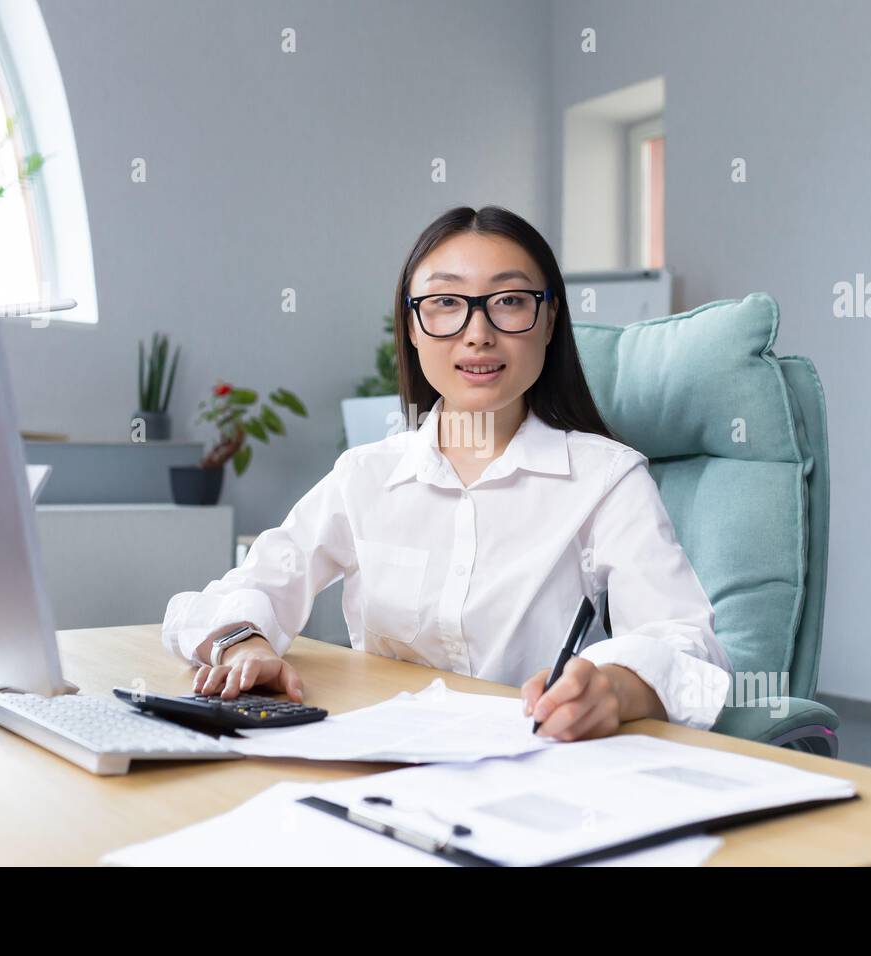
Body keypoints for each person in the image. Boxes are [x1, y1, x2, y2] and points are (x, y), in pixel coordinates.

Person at [162, 205, 732, 739]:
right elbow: (244, 586)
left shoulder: (605, 479)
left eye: (508, 300)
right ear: (410, 328)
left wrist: (614, 687)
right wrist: (244, 649)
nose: (477, 332)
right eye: (444, 303)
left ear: (550, 317)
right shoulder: (366, 476)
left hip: (534, 765)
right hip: (380, 755)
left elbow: (689, 647)